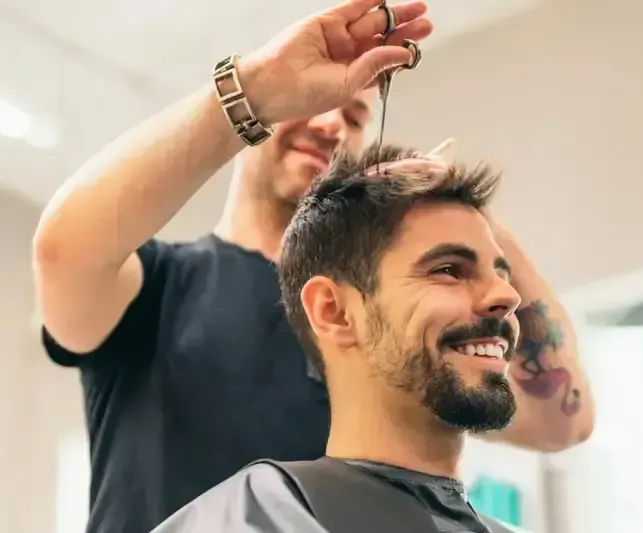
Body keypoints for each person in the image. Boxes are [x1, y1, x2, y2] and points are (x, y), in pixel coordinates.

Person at [32, 1, 591, 532]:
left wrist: (463, 214)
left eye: (354, 116)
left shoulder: (390, 318)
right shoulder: (161, 282)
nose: (330, 126)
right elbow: (62, 249)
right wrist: (253, 92)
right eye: (309, 103)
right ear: (327, 310)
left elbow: (563, 420)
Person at [152, 144, 531, 533]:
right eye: (449, 270)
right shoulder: (249, 515)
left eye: (502, 275)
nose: (508, 296)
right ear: (333, 311)